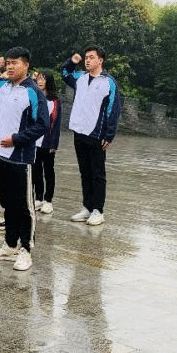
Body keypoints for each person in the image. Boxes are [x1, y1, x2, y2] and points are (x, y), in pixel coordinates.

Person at [0, 48, 48, 272]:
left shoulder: (33, 92)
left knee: (24, 207)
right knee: (7, 203)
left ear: (26, 65)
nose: (10, 67)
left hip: (20, 157)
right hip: (0, 155)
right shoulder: (2, 87)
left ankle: (26, 250)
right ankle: (10, 245)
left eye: (14, 63)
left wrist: (17, 139)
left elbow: (42, 125)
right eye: (7, 63)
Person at [61, 46, 123, 226]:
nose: (87, 60)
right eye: (86, 57)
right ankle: (87, 207)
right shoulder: (80, 77)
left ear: (100, 60)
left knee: (97, 174)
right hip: (79, 131)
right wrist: (72, 62)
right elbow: (64, 74)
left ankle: (98, 210)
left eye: (91, 57)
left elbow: (113, 109)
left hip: (96, 134)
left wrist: (109, 135)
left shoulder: (108, 82)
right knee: (85, 172)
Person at [32, 73, 61, 214]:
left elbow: (56, 124)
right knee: (36, 170)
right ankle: (38, 197)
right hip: (34, 141)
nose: (40, 81)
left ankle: (48, 200)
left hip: (47, 142)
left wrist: (53, 144)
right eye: (38, 79)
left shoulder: (55, 101)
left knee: (48, 171)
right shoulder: (34, 98)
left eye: (43, 79)